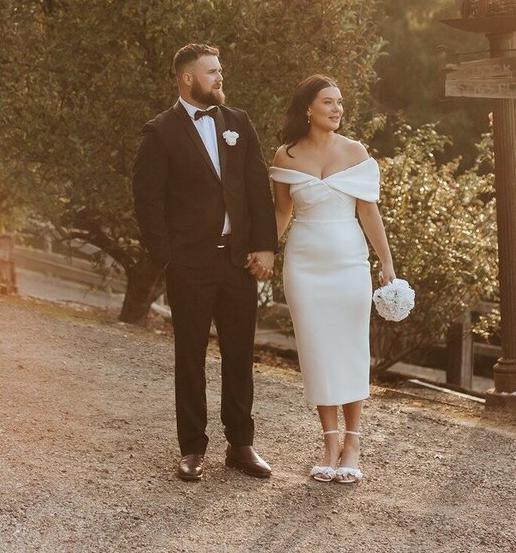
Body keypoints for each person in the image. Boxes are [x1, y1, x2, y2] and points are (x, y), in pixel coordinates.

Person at [132, 43, 277, 482]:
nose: (219, 78)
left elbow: (257, 187)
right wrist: (168, 258)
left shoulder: (238, 122)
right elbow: (147, 200)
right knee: (189, 355)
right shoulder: (160, 132)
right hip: (190, 264)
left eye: (220, 71)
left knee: (239, 354)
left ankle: (241, 444)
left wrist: (265, 246)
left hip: (238, 261)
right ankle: (192, 448)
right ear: (187, 78)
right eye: (211, 72)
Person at [270, 74, 396, 484]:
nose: (337, 109)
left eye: (340, 102)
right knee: (317, 349)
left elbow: (368, 212)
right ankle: (329, 443)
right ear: (308, 107)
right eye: (328, 102)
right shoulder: (285, 157)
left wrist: (387, 263)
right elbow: (282, 213)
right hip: (304, 264)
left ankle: (353, 443)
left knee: (351, 347)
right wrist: (263, 251)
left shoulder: (356, 152)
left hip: (349, 262)